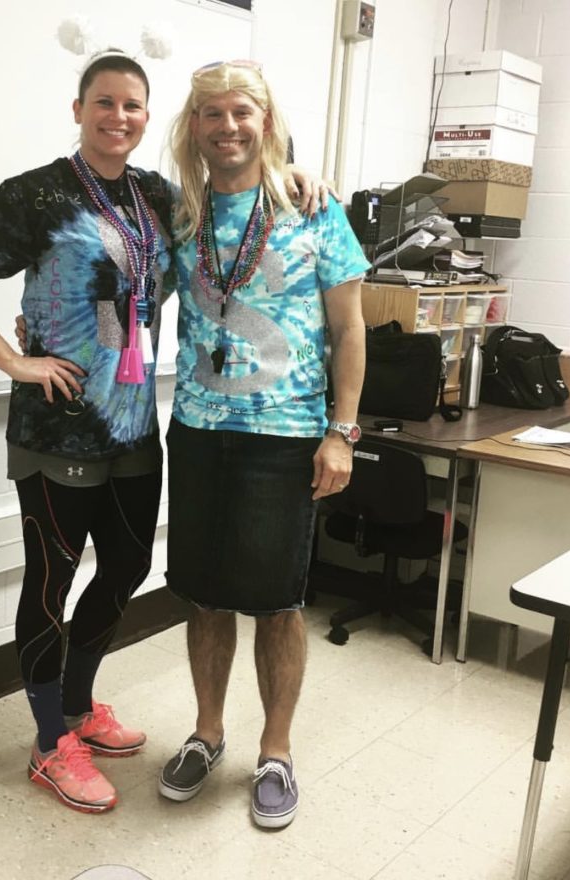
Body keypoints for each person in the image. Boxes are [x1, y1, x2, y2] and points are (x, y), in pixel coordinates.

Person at [0, 48, 324, 816]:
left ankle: (79, 708)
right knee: (51, 583)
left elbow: (232, 200)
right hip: (59, 428)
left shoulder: (161, 198)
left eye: (133, 106)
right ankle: (48, 743)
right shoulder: (34, 195)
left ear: (149, 117)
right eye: (103, 103)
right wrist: (16, 359)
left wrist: (299, 172)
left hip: (137, 424)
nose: (118, 118)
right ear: (79, 110)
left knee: (128, 568)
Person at [156, 60, 370, 829]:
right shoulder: (180, 213)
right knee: (205, 596)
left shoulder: (315, 211)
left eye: (241, 111)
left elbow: (350, 329)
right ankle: (207, 733)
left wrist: (342, 432)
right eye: (211, 114)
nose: (227, 126)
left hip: (285, 440)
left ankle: (275, 750)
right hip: (201, 433)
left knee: (278, 603)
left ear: (266, 121)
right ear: (195, 127)